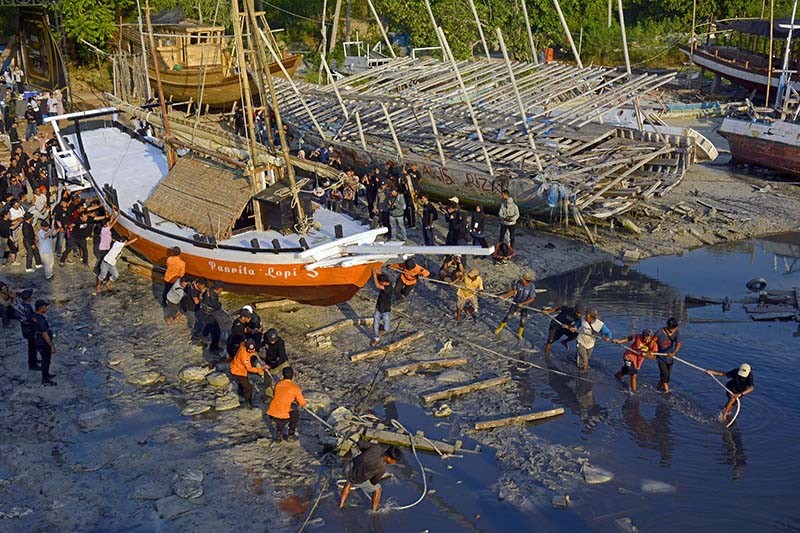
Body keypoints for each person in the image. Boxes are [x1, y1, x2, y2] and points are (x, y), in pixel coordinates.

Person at [339, 444, 403, 512]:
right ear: (389, 458)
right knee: (378, 489)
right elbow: (373, 482)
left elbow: (360, 443)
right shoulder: (382, 468)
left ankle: (341, 505)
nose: (394, 463)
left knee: (349, 480)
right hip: (355, 479)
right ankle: (373, 511)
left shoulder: (376, 448)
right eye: (394, 461)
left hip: (347, 468)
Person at [267, 366, 307, 442]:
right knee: (295, 414)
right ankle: (291, 434)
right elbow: (302, 403)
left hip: (273, 412)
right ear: (292, 375)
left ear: (283, 375)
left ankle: (279, 433)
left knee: (281, 416)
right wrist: (303, 403)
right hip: (283, 415)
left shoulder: (278, 384)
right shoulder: (295, 388)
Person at [495, 271, 537, 340]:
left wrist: (522, 304)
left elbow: (532, 298)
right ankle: (500, 328)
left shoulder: (531, 286)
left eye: (523, 279)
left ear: (527, 281)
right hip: (516, 302)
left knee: (523, 320)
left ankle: (519, 334)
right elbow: (514, 291)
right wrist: (504, 296)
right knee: (508, 316)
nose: (521, 280)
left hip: (525, 305)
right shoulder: (519, 283)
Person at [230, 340, 265, 408]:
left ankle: (241, 391)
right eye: (250, 350)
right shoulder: (244, 357)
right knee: (249, 387)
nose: (252, 351)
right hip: (237, 371)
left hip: (239, 369)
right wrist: (261, 369)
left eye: (253, 349)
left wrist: (252, 353)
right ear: (246, 348)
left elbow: (244, 343)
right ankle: (246, 401)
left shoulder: (243, 345)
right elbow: (250, 368)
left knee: (243, 383)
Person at [31, 299, 57, 385]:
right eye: (45, 307)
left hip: (37, 340)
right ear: (41, 308)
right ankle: (45, 379)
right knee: (46, 361)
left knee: (45, 360)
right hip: (43, 343)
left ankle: (46, 375)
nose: (47, 309)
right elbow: (45, 334)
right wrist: (52, 346)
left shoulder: (34, 316)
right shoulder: (41, 320)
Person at [654, 317, 682, 393]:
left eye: (675, 328)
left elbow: (678, 344)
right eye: (673, 328)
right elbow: (652, 342)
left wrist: (674, 353)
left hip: (670, 357)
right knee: (665, 375)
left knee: (666, 377)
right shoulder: (659, 332)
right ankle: (667, 392)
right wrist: (652, 351)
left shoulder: (676, 332)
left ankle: (657, 389)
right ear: (669, 327)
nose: (674, 330)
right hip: (661, 357)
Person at [198, 281, 224, 353]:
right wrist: (220, 305)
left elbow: (203, 296)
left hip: (203, 311)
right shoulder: (213, 296)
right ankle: (214, 348)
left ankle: (202, 337)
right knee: (216, 332)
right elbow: (217, 306)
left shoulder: (209, 290)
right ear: (219, 289)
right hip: (209, 314)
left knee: (208, 326)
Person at [15, 289, 38, 369]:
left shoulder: (21, 305)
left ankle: (34, 360)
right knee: (32, 347)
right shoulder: (27, 308)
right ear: (28, 298)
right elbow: (30, 319)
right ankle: (32, 364)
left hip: (24, 328)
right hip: (30, 330)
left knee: (31, 346)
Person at [371, 268, 392, 346]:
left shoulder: (389, 288)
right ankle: (376, 338)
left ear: (383, 282)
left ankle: (381, 328)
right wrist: (377, 272)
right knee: (375, 325)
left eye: (381, 282)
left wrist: (374, 275)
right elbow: (382, 277)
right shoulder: (386, 281)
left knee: (386, 328)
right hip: (378, 308)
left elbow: (377, 285)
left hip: (386, 310)